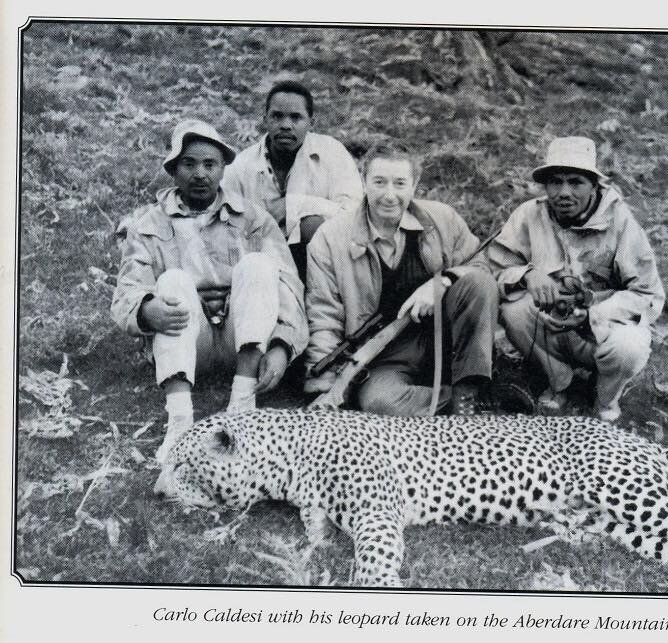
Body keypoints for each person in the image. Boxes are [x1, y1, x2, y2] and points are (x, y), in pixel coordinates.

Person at [111, 119, 308, 463]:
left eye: (209, 164)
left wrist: (281, 345)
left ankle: (242, 402)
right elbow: (126, 291)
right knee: (172, 282)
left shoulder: (252, 218)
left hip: (244, 339)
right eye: (189, 164)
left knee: (259, 265)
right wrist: (145, 309)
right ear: (173, 169)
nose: (199, 173)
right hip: (188, 342)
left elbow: (289, 285)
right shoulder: (149, 225)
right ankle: (180, 417)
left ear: (223, 169)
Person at [304, 140, 499, 415]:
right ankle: (467, 400)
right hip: (384, 356)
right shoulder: (330, 239)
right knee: (380, 402)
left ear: (414, 184)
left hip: (448, 342)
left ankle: (469, 390)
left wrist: (441, 282)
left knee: (478, 283)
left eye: (399, 184)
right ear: (363, 181)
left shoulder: (443, 219)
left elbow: (482, 267)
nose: (389, 195)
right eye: (379, 182)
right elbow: (324, 313)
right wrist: (325, 384)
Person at [487, 136, 665, 421]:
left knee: (629, 347)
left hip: (601, 332)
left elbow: (648, 295)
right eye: (555, 182)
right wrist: (527, 274)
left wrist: (591, 315)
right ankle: (559, 380)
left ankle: (606, 399)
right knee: (512, 310)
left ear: (595, 185)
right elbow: (493, 266)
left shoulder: (621, 222)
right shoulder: (529, 215)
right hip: (549, 326)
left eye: (576, 182)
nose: (564, 192)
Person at [222, 80, 363, 281]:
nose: (286, 125)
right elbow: (225, 222)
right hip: (262, 262)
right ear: (265, 120)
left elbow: (355, 213)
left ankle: (321, 302)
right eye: (277, 116)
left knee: (312, 224)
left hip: (324, 263)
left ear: (311, 123)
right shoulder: (242, 165)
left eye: (296, 118)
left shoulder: (332, 152)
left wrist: (294, 205)